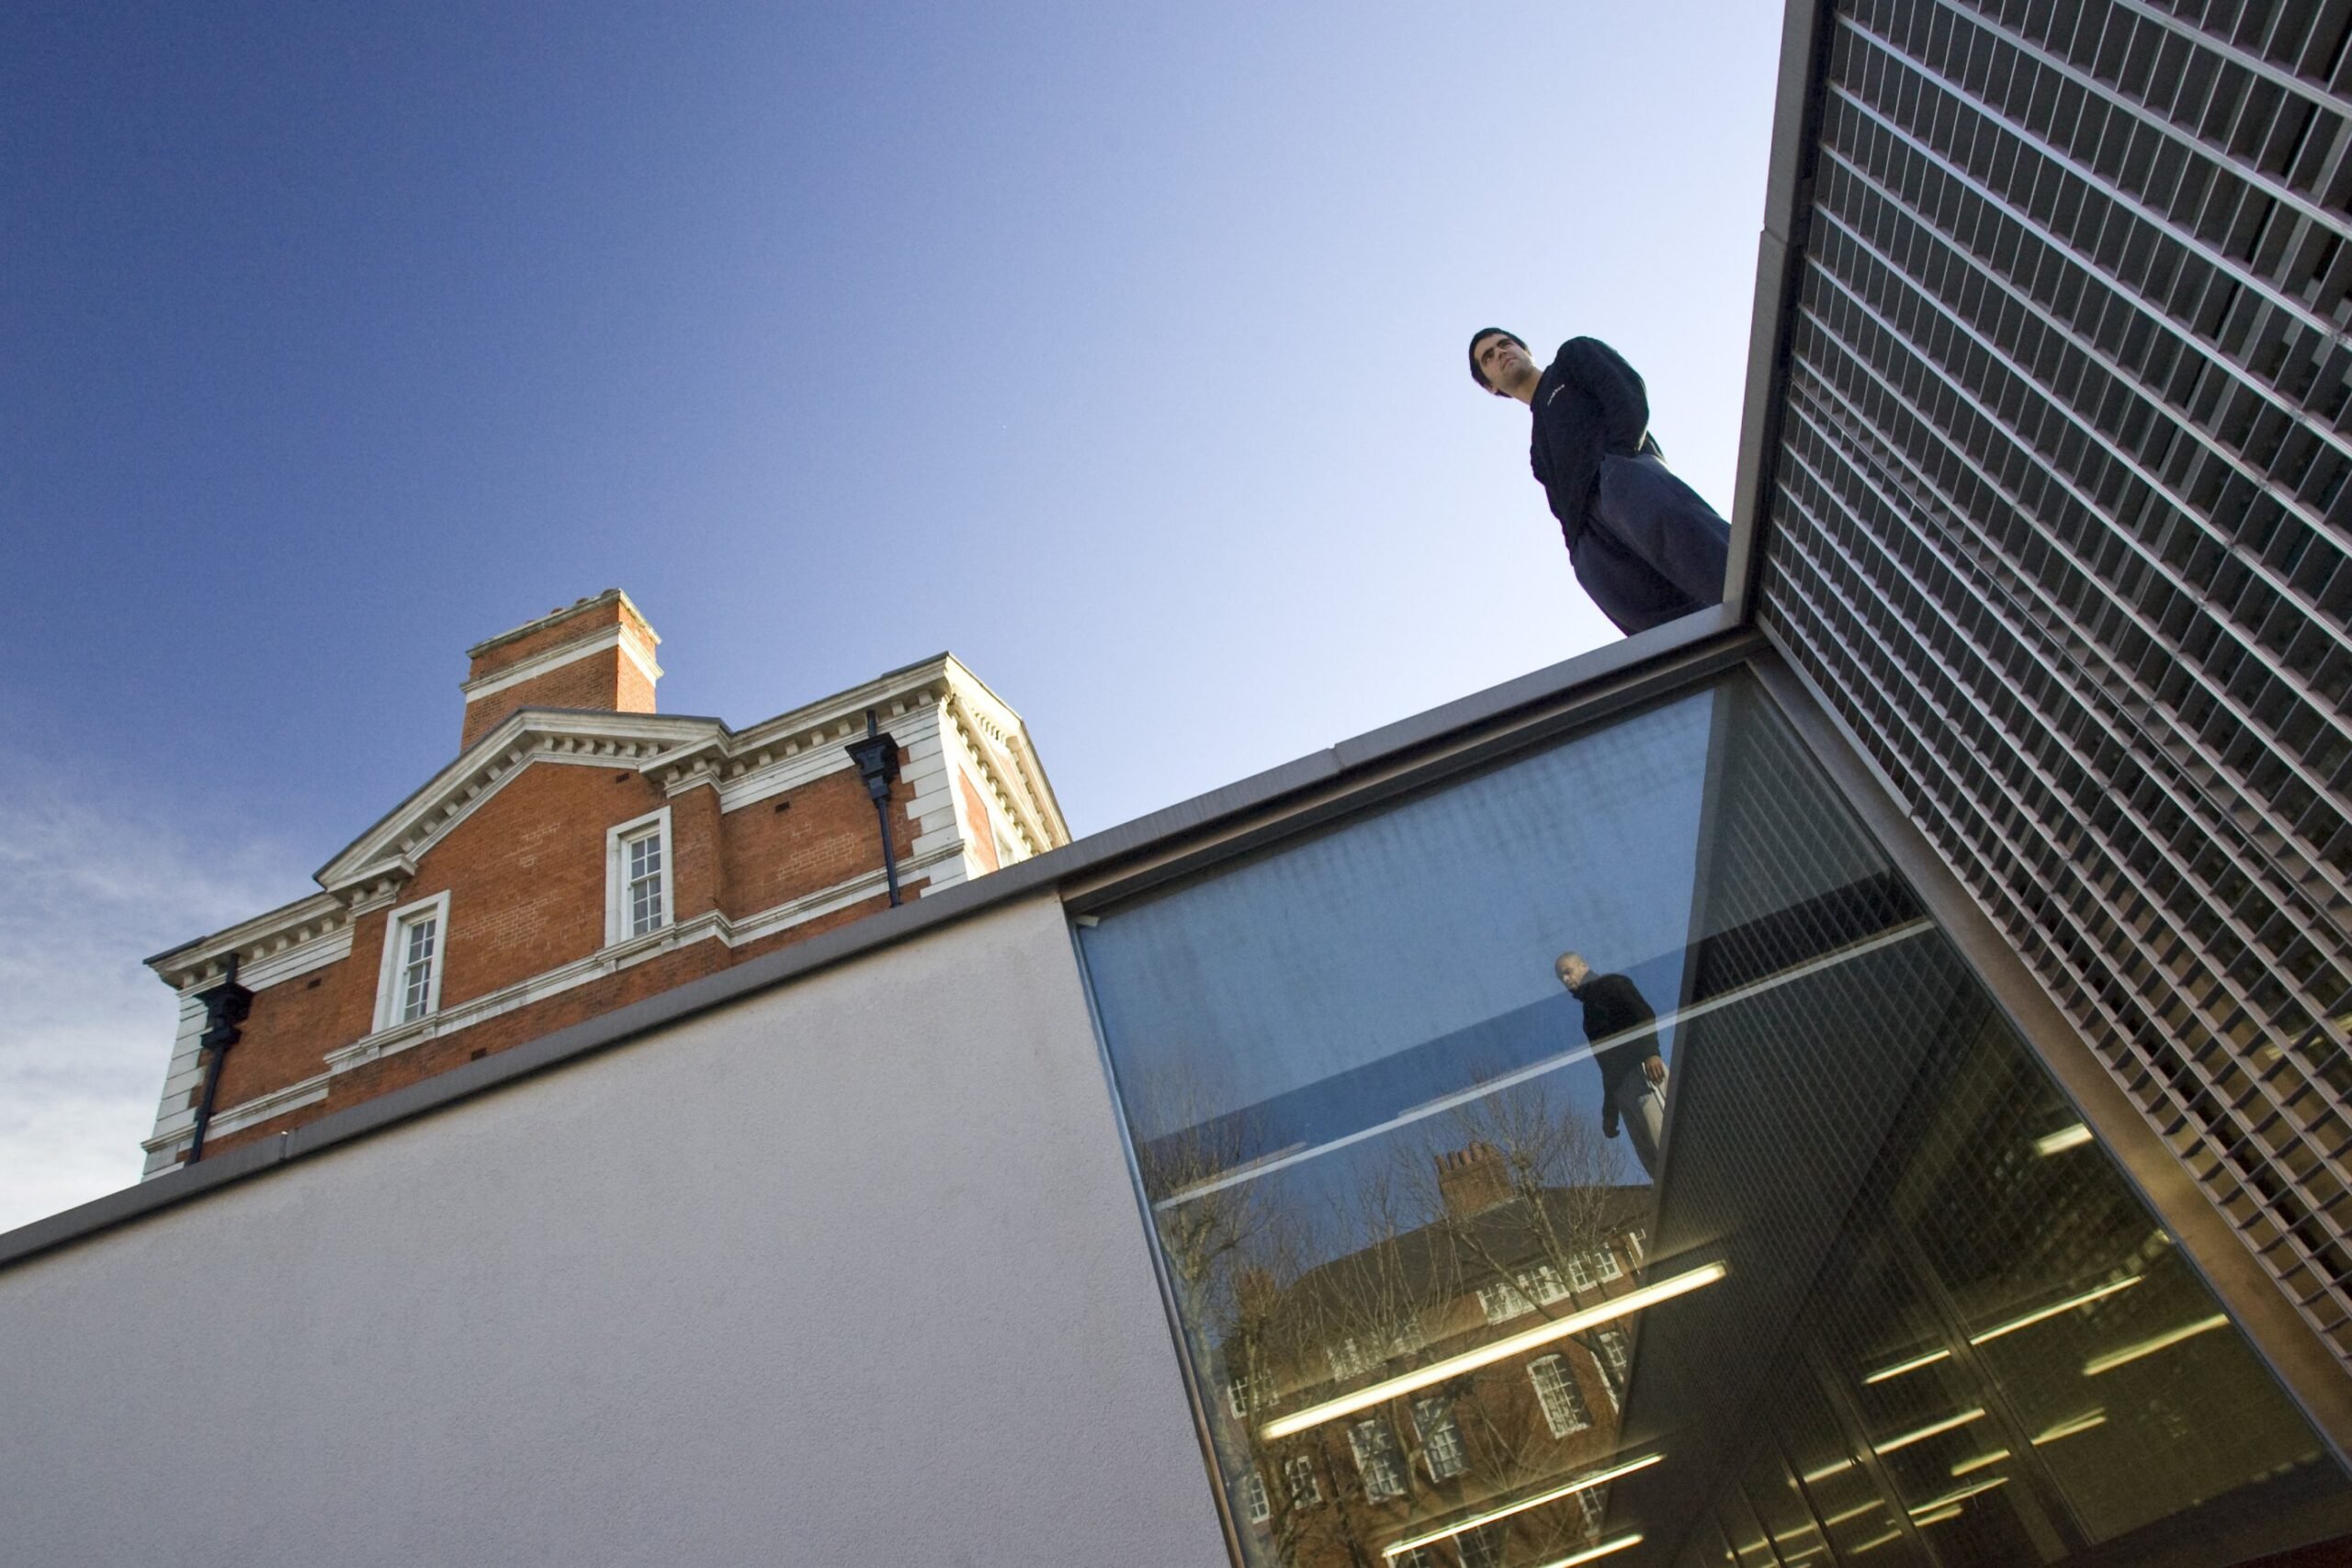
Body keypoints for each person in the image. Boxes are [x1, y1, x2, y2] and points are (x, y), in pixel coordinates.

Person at [1469, 329, 1732, 635]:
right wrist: (1577, 551)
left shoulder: (1571, 359)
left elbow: (1625, 390)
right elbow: (1558, 506)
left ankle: (1766, 602)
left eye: (1505, 344)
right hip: (1591, 540)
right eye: (1489, 356)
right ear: (1490, 386)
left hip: (1622, 482)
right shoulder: (1536, 449)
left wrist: (1619, 461)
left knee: (1700, 554)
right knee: (1656, 629)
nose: (1501, 352)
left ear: (1526, 351)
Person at [1555, 951, 1668, 1179]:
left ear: (1583, 965)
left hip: (1644, 1075)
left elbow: (1644, 1014)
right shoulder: (1589, 1014)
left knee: (1667, 1146)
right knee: (1652, 1159)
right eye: (1561, 978)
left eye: (1568, 972)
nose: (1566, 980)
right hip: (1624, 1090)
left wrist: (1651, 1054)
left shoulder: (1611, 984)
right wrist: (1611, 1111)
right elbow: (1607, 1067)